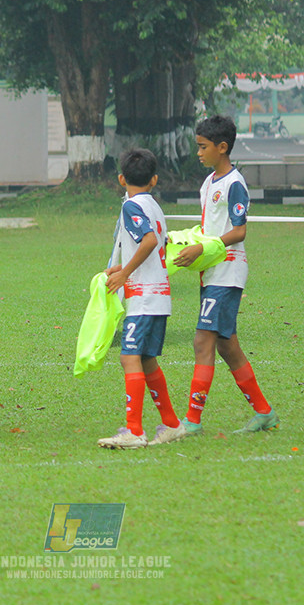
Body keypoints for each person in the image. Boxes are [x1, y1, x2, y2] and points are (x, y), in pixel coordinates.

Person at [173, 115, 278, 435]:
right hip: (211, 272)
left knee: (202, 340)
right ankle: (265, 412)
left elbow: (239, 231)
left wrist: (204, 250)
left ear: (222, 147)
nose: (199, 153)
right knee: (226, 345)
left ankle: (192, 420)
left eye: (203, 147)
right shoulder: (208, 183)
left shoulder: (234, 183)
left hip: (227, 272)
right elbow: (209, 229)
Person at [97, 149, 186, 449]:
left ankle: (134, 430)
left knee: (129, 357)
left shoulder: (131, 206)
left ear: (121, 178)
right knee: (146, 360)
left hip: (145, 297)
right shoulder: (154, 206)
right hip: (158, 295)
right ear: (155, 179)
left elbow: (148, 240)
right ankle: (172, 424)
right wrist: (121, 267)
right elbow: (154, 245)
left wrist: (124, 275)